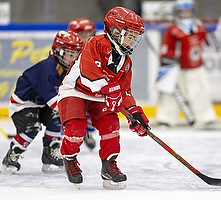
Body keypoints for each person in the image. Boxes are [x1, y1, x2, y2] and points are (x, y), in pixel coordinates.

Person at [58, 6, 149, 190]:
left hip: (100, 96)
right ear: (115, 31)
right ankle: (69, 158)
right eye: (129, 35)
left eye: (134, 36)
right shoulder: (95, 43)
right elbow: (88, 73)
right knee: (76, 128)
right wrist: (108, 88)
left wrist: (134, 113)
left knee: (111, 125)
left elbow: (124, 92)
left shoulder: (125, 61)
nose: (132, 40)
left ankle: (109, 165)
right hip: (75, 91)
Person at [0, 30, 83, 174]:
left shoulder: (67, 68)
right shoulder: (48, 68)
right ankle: (11, 156)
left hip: (42, 104)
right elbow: (53, 100)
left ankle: (49, 156)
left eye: (76, 54)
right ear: (58, 51)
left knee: (57, 119)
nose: (73, 58)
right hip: (24, 104)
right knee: (31, 128)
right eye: (70, 54)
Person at [156, 0, 221, 130]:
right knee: (169, 95)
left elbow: (210, 45)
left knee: (201, 92)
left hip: (196, 68)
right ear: (177, 13)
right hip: (177, 69)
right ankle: (165, 119)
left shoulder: (200, 28)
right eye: (182, 11)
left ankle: (205, 119)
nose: (186, 14)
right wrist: (170, 61)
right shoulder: (173, 31)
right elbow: (165, 51)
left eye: (188, 11)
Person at [68, 18, 97, 150]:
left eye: (90, 33)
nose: (88, 38)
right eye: (83, 35)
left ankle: (86, 132)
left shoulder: (98, 50)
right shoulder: (68, 53)